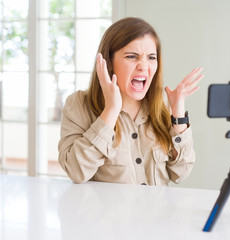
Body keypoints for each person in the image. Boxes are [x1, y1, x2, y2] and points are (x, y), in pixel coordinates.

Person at [58, 17, 203, 185]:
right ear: (108, 62)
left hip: (158, 211)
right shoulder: (79, 104)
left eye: (151, 57)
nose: (143, 66)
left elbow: (180, 173)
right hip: (108, 212)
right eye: (132, 56)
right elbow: (76, 172)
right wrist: (111, 110)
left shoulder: (160, 106)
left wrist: (178, 114)